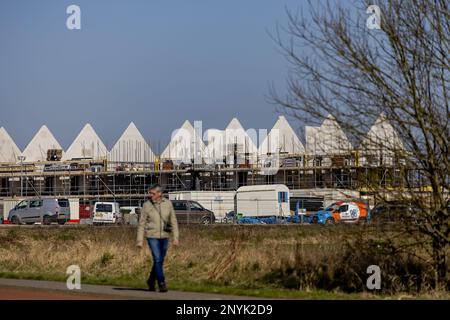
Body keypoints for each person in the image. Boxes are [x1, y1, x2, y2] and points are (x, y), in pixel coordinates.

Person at [136, 183, 179, 292]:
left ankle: (151, 280)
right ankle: (161, 282)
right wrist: (139, 240)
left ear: (159, 194)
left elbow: (173, 221)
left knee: (160, 261)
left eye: (153, 193)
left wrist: (176, 237)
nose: (150, 195)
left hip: (165, 235)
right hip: (152, 235)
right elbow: (141, 223)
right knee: (157, 258)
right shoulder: (146, 205)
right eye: (150, 193)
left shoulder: (168, 204)